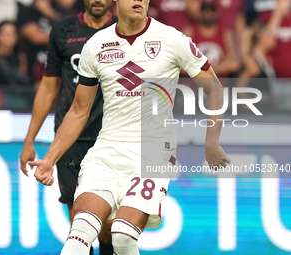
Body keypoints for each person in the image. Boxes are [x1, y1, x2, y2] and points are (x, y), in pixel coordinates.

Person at [28, 0, 230, 254]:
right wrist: (49, 159)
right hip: (106, 150)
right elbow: (79, 111)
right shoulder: (96, 45)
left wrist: (211, 141)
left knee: (122, 235)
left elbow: (215, 89)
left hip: (152, 151)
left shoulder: (172, 39)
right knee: (79, 234)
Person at [19, 0, 117, 254]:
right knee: (79, 226)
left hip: (110, 137)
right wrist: (29, 141)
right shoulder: (63, 31)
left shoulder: (123, 31)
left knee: (108, 225)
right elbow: (48, 87)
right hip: (69, 138)